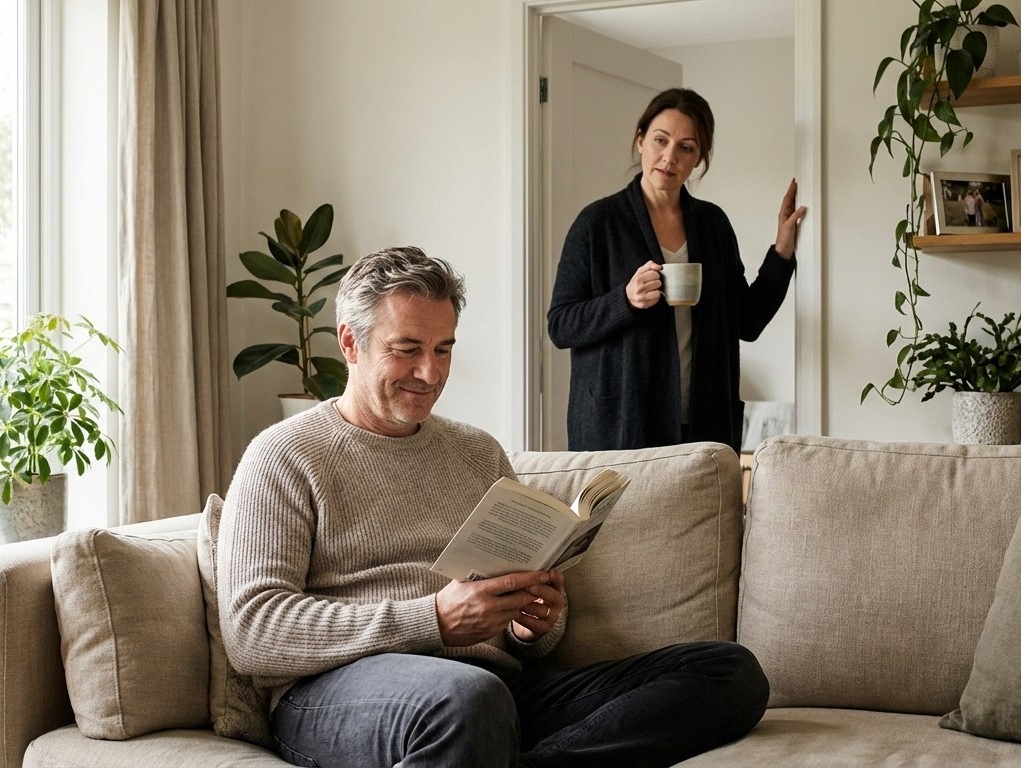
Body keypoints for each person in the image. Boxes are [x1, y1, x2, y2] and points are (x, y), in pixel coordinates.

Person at [218, 246, 770, 768]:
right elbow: (252, 631)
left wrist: (533, 624)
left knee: (727, 672)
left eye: (444, 349)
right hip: (337, 692)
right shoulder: (284, 454)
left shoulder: (477, 452)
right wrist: (432, 619)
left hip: (488, 692)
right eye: (407, 349)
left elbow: (520, 633)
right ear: (350, 343)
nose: (431, 374)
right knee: (467, 699)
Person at [547, 87, 806, 453]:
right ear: (640, 141)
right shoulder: (597, 223)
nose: (669, 157)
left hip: (703, 425)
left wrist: (782, 250)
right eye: (660, 140)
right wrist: (625, 300)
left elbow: (747, 320)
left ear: (698, 159)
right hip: (621, 428)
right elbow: (560, 325)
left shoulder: (713, 224)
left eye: (686, 147)